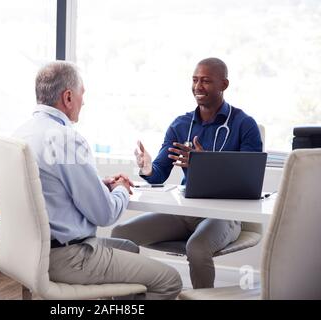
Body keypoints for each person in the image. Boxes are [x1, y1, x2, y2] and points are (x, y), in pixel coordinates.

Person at [13, 61, 182, 299]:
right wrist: (121, 189)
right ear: (68, 97)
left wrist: (98, 185)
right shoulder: (67, 139)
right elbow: (105, 215)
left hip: (29, 254)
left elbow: (47, 190)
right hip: (70, 259)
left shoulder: (20, 134)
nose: (84, 101)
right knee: (169, 279)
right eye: (83, 94)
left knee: (129, 249)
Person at [112, 57, 263, 289]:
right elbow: (159, 174)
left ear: (224, 84)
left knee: (197, 247)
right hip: (186, 212)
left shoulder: (244, 125)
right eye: (194, 80)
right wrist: (147, 166)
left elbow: (248, 182)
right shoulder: (181, 125)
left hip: (225, 215)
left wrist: (205, 165)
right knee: (120, 234)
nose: (198, 87)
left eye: (206, 81)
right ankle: (133, 297)